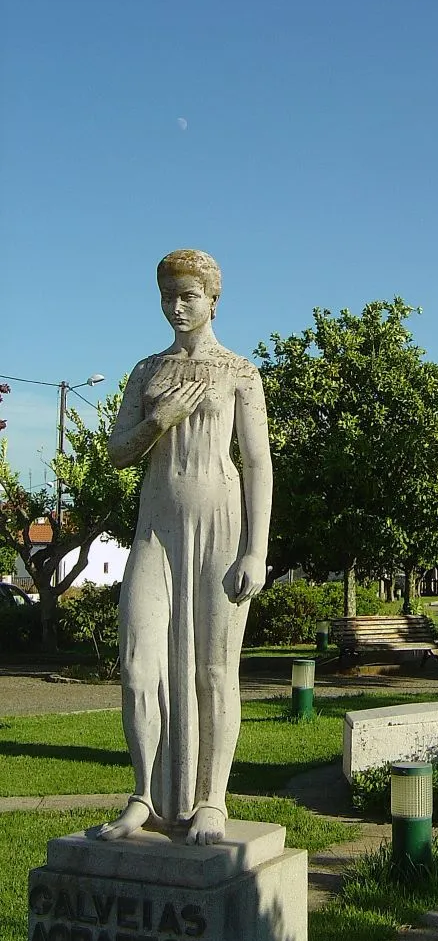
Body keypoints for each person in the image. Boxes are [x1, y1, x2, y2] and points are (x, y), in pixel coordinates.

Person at [96, 250, 272, 846]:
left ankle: (212, 800)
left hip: (220, 527)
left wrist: (256, 549)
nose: (176, 305)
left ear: (213, 299)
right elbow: (117, 451)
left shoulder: (240, 373)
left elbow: (256, 463)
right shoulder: (147, 371)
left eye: (188, 295)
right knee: (137, 665)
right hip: (156, 528)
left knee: (215, 669)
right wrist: (158, 421)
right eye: (168, 295)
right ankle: (143, 795)